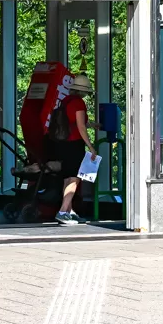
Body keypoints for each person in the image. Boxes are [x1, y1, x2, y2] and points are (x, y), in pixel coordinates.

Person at [50, 74, 97, 224]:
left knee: (67, 178)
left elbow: (71, 121)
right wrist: (90, 146)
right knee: (75, 179)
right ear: (83, 91)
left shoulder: (66, 100)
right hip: (74, 144)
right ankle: (63, 211)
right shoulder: (79, 103)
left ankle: (70, 211)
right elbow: (80, 126)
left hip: (61, 144)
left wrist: (92, 125)